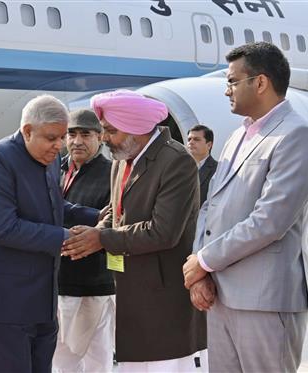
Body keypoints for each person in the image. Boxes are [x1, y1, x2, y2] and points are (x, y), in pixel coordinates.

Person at [183, 42, 308, 372]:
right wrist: (201, 272)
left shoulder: (296, 135)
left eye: (232, 81)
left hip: (265, 300)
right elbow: (209, 207)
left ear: (260, 82)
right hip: (221, 294)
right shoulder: (236, 137)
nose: (226, 91)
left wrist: (203, 260)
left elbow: (270, 221)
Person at [62, 90, 206, 372]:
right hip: (129, 292)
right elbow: (115, 213)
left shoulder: (176, 161)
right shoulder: (122, 158)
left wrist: (101, 238)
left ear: (135, 130)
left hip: (162, 297)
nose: (104, 138)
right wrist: (93, 232)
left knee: (165, 364)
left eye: (110, 131)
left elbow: (163, 231)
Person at [0, 95, 100, 372]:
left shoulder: (50, 158)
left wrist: (98, 216)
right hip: (7, 301)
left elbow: (55, 205)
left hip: (43, 297)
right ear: (28, 130)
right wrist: (69, 238)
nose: (59, 145)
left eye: (61, 137)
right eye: (52, 137)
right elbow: (3, 228)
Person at [53, 109, 115, 372]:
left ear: (99, 138)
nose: (77, 141)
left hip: (93, 285)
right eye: (72, 134)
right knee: (60, 359)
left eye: (85, 134)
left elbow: (114, 221)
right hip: (56, 282)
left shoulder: (111, 173)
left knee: (95, 359)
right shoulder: (53, 168)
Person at [187, 124, 218, 207]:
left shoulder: (218, 170)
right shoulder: (179, 168)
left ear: (209, 145)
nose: (191, 142)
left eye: (196, 139)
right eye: (189, 139)